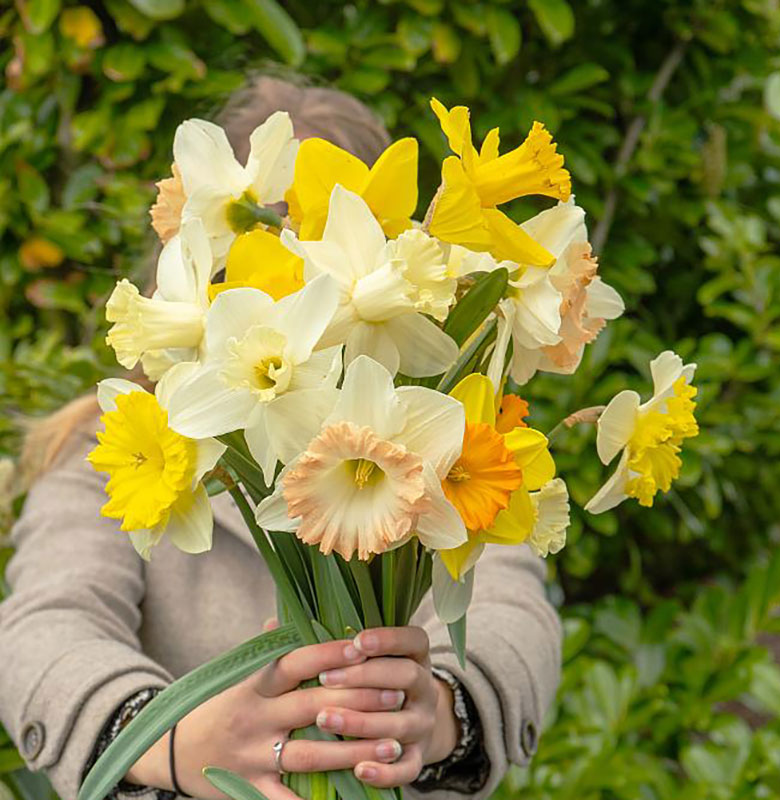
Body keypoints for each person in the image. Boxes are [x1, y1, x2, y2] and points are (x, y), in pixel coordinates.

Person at [0, 76, 562, 800]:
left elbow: (512, 613)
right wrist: (171, 741)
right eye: (264, 267)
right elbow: (45, 625)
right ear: (206, 272)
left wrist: (443, 712)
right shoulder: (118, 444)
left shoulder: (445, 436)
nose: (295, 299)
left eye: (316, 265)